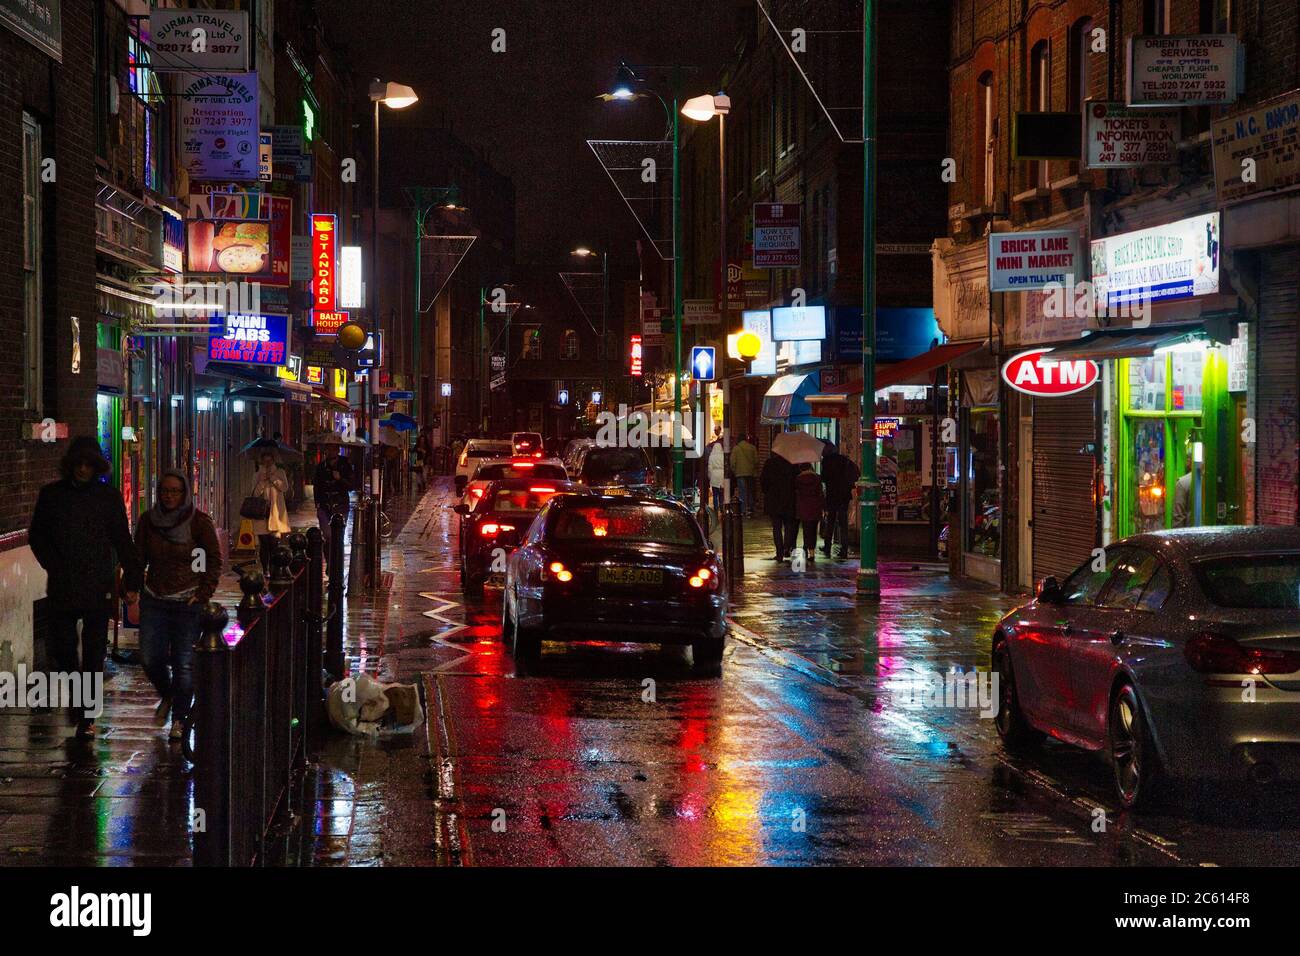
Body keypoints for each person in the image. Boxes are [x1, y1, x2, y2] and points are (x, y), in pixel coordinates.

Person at [28, 437, 144, 739]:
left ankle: (87, 716)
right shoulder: (52, 495)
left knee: (94, 653)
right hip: (64, 584)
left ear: (95, 466)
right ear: (71, 465)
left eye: (88, 464)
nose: (82, 469)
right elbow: (37, 536)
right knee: (62, 649)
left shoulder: (107, 497)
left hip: (97, 584)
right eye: (78, 464)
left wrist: (132, 579)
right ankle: (80, 702)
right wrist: (53, 564)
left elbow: (122, 538)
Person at [133, 469, 222, 740]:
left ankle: (180, 719)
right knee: (150, 658)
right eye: (165, 491)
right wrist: (133, 588)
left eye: (175, 491)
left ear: (184, 493)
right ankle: (170, 694)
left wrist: (204, 592)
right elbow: (139, 557)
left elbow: (212, 559)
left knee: (184, 664)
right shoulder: (149, 521)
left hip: (187, 601)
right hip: (155, 599)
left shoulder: (198, 523)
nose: (169, 496)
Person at [313, 447, 353, 572]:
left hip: (340, 505)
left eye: (333, 449)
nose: (331, 452)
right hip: (325, 506)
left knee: (338, 536)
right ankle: (330, 563)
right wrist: (318, 504)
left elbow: (351, 486)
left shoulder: (345, 465)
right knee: (328, 536)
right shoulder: (321, 466)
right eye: (329, 449)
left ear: (337, 451)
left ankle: (337, 565)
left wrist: (339, 479)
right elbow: (317, 486)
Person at [251, 450, 290, 574]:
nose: (267, 463)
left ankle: (274, 568)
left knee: (273, 543)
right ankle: (265, 569)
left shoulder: (280, 472)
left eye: (270, 460)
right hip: (261, 513)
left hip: (275, 513)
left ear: (273, 460)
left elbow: (285, 488)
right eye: (265, 461)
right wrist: (262, 482)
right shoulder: (257, 475)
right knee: (264, 543)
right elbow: (254, 494)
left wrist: (272, 478)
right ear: (261, 461)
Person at [820, 443, 860, 558]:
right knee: (843, 523)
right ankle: (844, 548)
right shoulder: (844, 460)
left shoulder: (826, 462)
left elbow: (824, 478)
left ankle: (827, 545)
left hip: (832, 495)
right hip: (844, 495)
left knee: (830, 521)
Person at [760, 452, 797, 560]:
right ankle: (787, 548)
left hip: (773, 500)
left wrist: (767, 491)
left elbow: (764, 481)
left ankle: (779, 552)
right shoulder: (792, 464)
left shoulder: (770, 463)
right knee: (788, 525)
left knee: (776, 527)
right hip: (788, 499)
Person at [794, 462, 826, 562]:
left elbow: (796, 494)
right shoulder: (817, 478)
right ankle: (812, 553)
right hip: (815, 507)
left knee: (806, 529)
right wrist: (824, 508)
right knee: (813, 530)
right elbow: (821, 494)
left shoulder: (797, 479)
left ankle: (806, 548)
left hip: (803, 507)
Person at [730, 434, 758, 517]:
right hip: (750, 473)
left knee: (742, 491)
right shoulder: (752, 448)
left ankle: (743, 509)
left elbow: (732, 462)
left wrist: (735, 471)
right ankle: (750, 508)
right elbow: (756, 460)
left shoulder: (736, 449)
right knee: (750, 491)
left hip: (740, 473)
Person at [703, 427, 726, 512]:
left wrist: (709, 476)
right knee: (721, 493)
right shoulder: (723, 456)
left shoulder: (712, 456)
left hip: (714, 476)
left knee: (715, 494)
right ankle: (721, 507)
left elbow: (710, 467)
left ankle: (716, 508)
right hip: (722, 475)